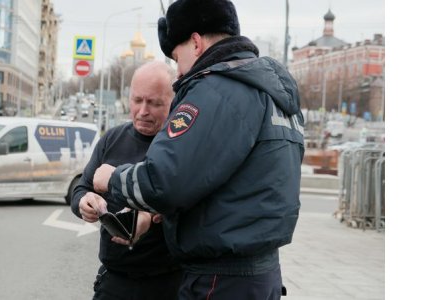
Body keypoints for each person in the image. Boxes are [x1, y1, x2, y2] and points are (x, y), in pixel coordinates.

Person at [92, 0, 305, 299]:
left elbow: (164, 180)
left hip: (221, 281)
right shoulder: (272, 93)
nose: (178, 73)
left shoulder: (217, 89)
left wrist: (111, 180)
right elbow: (235, 183)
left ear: (195, 42)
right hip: (261, 272)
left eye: (177, 58)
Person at [71, 61, 181, 300]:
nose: (143, 111)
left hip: (168, 284)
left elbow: (189, 204)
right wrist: (84, 202)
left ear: (174, 103)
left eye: (154, 103)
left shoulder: (179, 145)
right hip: (114, 281)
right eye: (137, 100)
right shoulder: (112, 138)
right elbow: (82, 187)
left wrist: (150, 217)